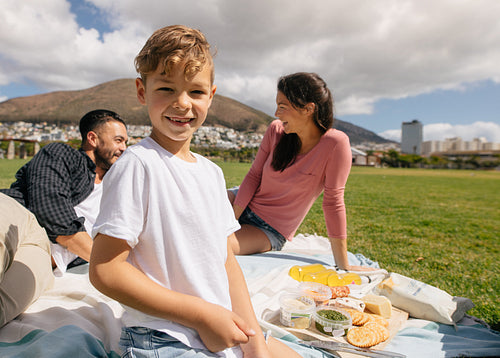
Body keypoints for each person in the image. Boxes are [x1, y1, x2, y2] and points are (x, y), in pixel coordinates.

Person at [89, 25, 301, 358]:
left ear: (211, 96)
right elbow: (105, 270)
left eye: (196, 92)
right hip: (161, 337)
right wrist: (201, 315)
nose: (182, 103)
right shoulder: (138, 165)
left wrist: (254, 341)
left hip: (219, 330)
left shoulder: (212, 173)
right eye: (166, 88)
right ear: (142, 91)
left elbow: (226, 260)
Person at [228, 72, 374, 272]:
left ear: (308, 109)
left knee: (216, 245)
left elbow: (333, 203)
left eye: (282, 106)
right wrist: (231, 219)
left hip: (268, 229)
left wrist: (343, 265)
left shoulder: (335, 144)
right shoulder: (276, 130)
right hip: (241, 200)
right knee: (189, 210)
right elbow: (254, 176)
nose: (276, 113)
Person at [1, 109, 128, 274]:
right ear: (93, 139)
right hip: (16, 225)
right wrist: (108, 263)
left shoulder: (116, 186)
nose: (124, 148)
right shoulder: (63, 155)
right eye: (118, 140)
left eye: (125, 142)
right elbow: (50, 210)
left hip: (44, 262)